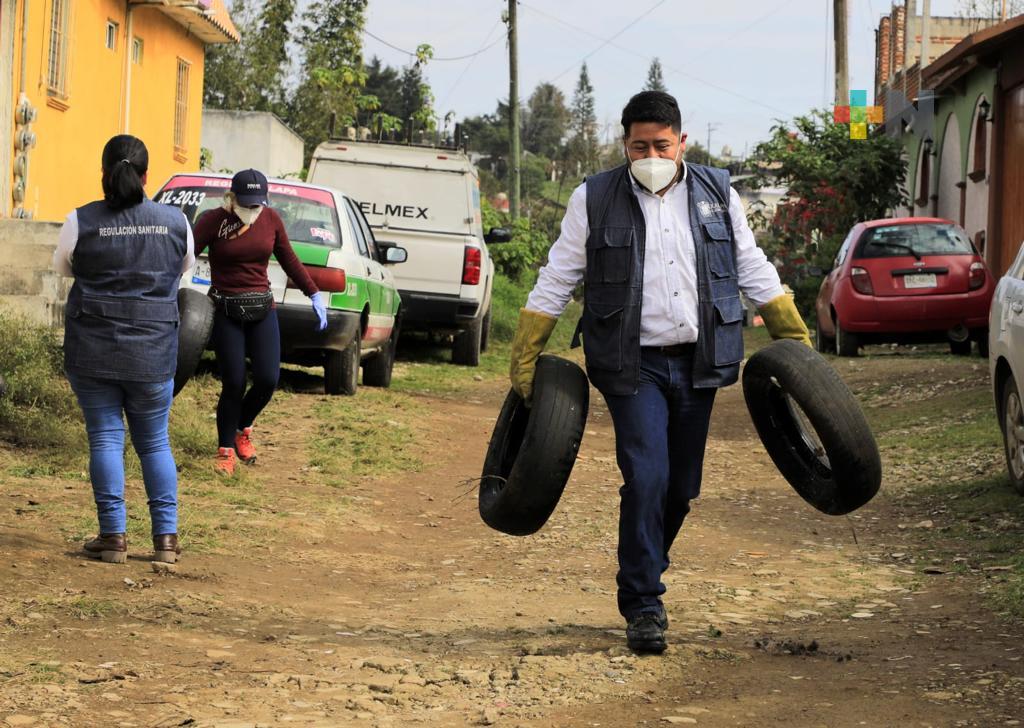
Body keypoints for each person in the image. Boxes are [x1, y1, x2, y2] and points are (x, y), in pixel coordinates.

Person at [509, 91, 811, 654]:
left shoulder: (718, 193)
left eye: (661, 145)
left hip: (699, 359)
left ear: (682, 144)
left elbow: (750, 264)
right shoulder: (593, 198)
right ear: (624, 145)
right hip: (631, 363)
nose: (650, 155)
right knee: (646, 476)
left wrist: (791, 336)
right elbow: (558, 274)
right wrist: (528, 348)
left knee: (681, 488)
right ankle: (644, 601)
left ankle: (642, 561)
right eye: (638, 146)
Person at [55, 134, 194, 565]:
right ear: (147, 175)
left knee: (106, 438)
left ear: (103, 173)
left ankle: (113, 537)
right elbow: (183, 272)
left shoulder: (80, 221)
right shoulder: (176, 222)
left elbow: (63, 268)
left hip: (94, 351)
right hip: (153, 355)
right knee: (154, 443)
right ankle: (165, 540)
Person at [192, 169, 326, 476]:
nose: (252, 210)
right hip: (227, 309)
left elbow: (289, 259)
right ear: (232, 197)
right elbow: (187, 255)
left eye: (257, 204)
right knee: (234, 382)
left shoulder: (271, 220)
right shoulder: (214, 221)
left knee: (268, 379)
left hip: (262, 309)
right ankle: (225, 449)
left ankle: (242, 428)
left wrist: (314, 293)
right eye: (246, 203)